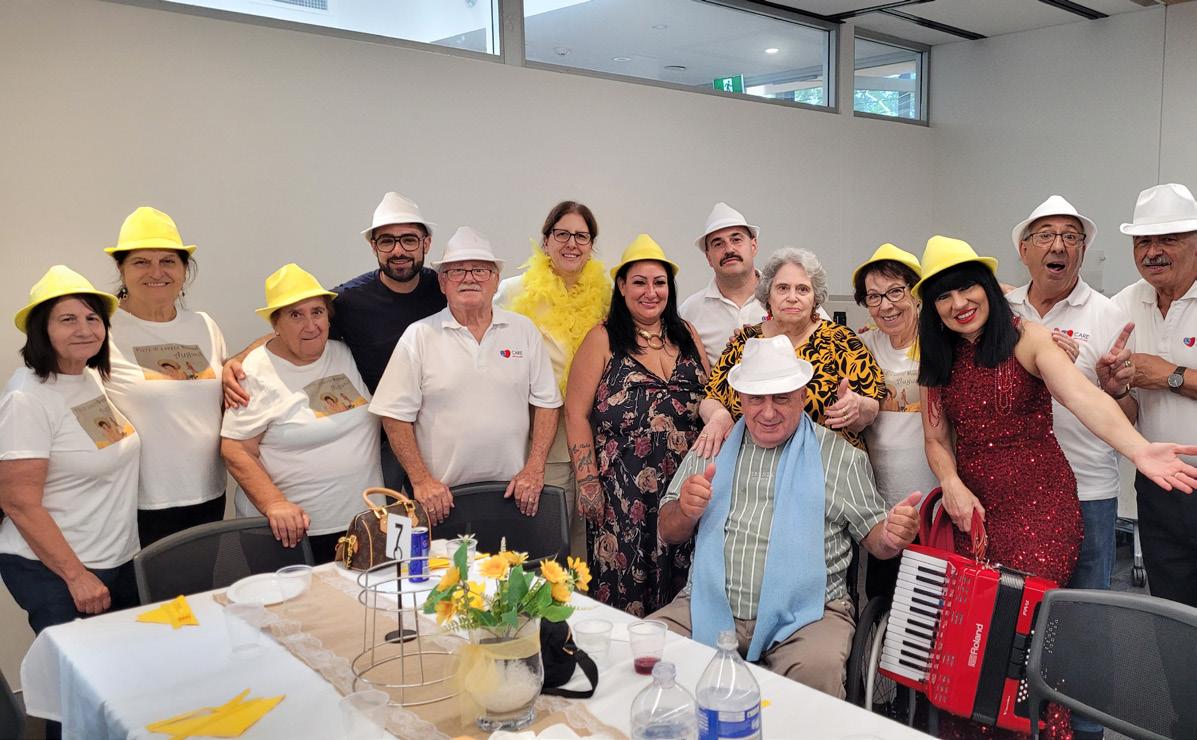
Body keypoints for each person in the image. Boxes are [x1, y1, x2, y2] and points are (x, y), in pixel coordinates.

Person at [915, 235, 1197, 740]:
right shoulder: (937, 358)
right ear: (933, 308)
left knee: (1026, 635)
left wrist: (1138, 449)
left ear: (988, 287)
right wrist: (950, 481)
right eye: (944, 296)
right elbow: (935, 437)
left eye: (967, 289)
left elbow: (1082, 396)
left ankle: (1041, 730)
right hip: (975, 512)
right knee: (974, 633)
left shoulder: (1027, 337)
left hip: (1040, 508)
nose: (959, 304)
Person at [653, 335, 920, 698]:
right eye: (756, 399)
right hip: (707, 603)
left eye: (781, 398)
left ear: (802, 396)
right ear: (740, 399)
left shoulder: (839, 456)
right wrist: (684, 511)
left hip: (808, 616)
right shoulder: (713, 446)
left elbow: (877, 540)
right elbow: (668, 531)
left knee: (816, 672)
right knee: (647, 653)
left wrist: (892, 534)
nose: (768, 412)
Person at [223, 192, 446, 491]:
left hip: (440, 430)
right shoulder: (350, 300)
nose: (398, 250)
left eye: (409, 240)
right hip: (383, 439)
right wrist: (237, 361)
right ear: (373, 246)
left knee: (444, 515)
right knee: (390, 513)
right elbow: (298, 328)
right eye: (386, 241)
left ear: (426, 244)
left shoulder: (444, 290)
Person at [369, 227, 560, 527]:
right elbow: (393, 416)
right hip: (440, 501)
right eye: (457, 271)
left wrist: (535, 469)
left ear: (496, 280)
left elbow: (547, 403)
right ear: (442, 282)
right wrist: (421, 481)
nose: (469, 278)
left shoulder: (524, 331)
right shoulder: (418, 336)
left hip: (514, 495)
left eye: (480, 270)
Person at [565, 234, 708, 616]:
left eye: (659, 282)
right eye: (639, 282)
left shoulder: (687, 333)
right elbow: (575, 413)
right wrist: (588, 482)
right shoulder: (602, 338)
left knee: (686, 587)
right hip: (622, 491)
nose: (650, 291)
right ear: (622, 286)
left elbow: (710, 399)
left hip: (685, 485)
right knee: (625, 589)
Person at [0, 266, 140, 634]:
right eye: (68, 319)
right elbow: (18, 502)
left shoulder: (87, 377)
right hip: (58, 569)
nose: (85, 329)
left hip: (113, 558)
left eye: (93, 318)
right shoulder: (27, 397)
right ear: (41, 330)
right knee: (78, 667)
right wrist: (75, 575)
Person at [220, 264, 381, 563]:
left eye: (317, 312)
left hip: (361, 523)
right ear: (276, 323)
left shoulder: (345, 354)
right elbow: (235, 450)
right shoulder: (255, 371)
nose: (311, 325)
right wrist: (275, 504)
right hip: (291, 533)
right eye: (296, 315)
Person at [102, 207, 228, 547]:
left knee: (200, 581)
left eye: (168, 261)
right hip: (138, 501)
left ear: (184, 269)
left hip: (208, 493)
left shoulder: (204, 326)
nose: (156, 272)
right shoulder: (101, 330)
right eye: (141, 262)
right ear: (121, 269)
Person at [496, 201, 611, 558]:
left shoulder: (607, 295)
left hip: (598, 439)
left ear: (591, 245)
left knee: (588, 544)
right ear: (545, 241)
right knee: (547, 541)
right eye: (562, 234)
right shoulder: (513, 291)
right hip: (544, 441)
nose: (571, 244)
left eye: (581, 236)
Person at [700, 247, 884, 453]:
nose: (792, 297)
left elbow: (872, 407)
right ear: (768, 295)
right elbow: (711, 396)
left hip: (829, 463)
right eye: (783, 288)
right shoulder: (746, 341)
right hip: (754, 465)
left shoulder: (841, 341)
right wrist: (718, 415)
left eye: (803, 289)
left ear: (815, 298)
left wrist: (858, 406)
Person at [1113, 183, 1197, 608]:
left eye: (1168, 239)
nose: (1153, 252)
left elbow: (1162, 378)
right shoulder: (1124, 304)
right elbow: (1126, 411)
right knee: (1171, 612)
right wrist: (1115, 389)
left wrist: (1171, 376)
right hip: (1160, 487)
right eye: (1143, 242)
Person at [851, 243, 937, 601]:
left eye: (896, 291)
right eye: (874, 297)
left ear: (916, 293)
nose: (886, 305)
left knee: (930, 601)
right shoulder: (862, 345)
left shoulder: (940, 342)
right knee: (882, 598)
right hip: (880, 504)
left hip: (934, 503)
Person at [679, 202, 768, 365]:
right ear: (708, 258)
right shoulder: (689, 312)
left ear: (754, 246)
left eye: (736, 239)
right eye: (718, 244)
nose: (729, 249)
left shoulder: (786, 298)